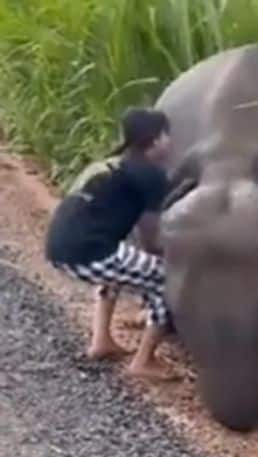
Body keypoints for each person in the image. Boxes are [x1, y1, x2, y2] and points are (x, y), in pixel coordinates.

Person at [44, 107, 177, 381]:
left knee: (121, 263)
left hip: (59, 246)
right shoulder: (151, 175)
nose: (170, 141)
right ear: (154, 140)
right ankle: (144, 361)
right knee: (168, 279)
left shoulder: (111, 163)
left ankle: (101, 341)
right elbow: (152, 238)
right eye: (167, 135)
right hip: (89, 252)